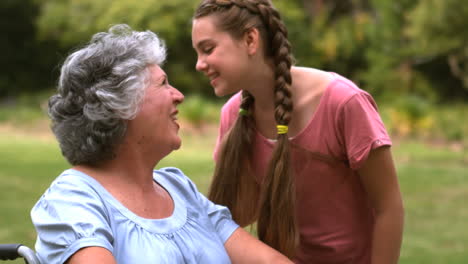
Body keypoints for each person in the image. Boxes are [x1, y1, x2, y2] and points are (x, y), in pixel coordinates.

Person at [30, 24, 293, 264]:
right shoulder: (75, 199)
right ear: (120, 104)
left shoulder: (179, 188)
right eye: (163, 83)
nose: (178, 96)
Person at [191, 0, 405, 263]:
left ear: (250, 40)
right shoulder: (234, 116)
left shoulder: (342, 102)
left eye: (208, 49)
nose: (199, 64)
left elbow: (388, 208)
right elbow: (244, 213)